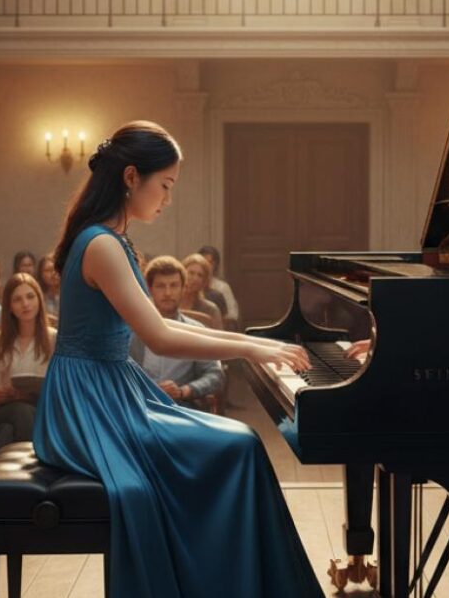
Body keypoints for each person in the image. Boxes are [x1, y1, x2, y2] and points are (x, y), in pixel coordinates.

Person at [32, 120, 320, 598]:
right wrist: (251, 346)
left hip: (108, 389)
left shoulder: (111, 239)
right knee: (239, 446)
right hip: (88, 403)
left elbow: (161, 332)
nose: (167, 198)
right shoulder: (101, 244)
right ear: (130, 178)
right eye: (164, 185)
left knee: (238, 445)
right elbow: (161, 338)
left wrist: (258, 345)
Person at [0, 273, 56, 457]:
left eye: (30, 297)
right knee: (20, 411)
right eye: (17, 299)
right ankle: (32, 476)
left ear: (39, 300)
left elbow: (65, 388)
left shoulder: (55, 339)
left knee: (6, 432)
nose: (25, 304)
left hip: (40, 412)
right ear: (9, 306)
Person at [129, 256, 225, 410]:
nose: (168, 293)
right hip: (141, 407)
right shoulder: (133, 331)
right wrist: (149, 389)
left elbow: (215, 375)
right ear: (149, 289)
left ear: (183, 288)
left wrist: (184, 391)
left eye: (174, 285)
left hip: (182, 407)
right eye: (160, 286)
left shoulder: (197, 330)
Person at [198, 245, 240, 328]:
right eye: (204, 262)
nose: (207, 266)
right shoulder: (190, 285)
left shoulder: (222, 288)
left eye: (210, 263)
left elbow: (232, 314)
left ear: (215, 265)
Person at [179, 253, 223, 329]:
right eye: (191, 273)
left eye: (200, 275)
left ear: (204, 281)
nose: (195, 278)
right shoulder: (170, 303)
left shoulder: (210, 310)